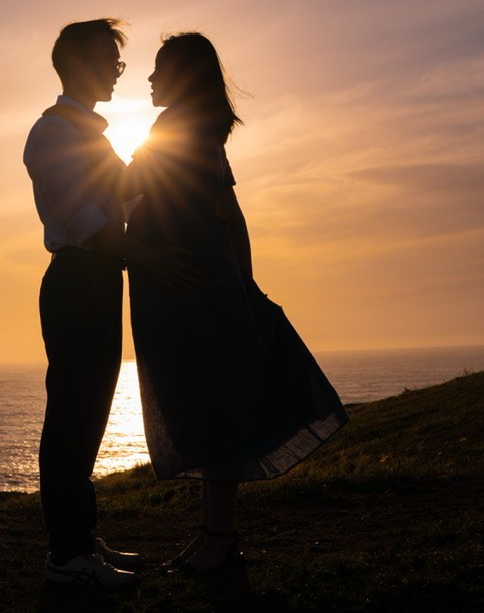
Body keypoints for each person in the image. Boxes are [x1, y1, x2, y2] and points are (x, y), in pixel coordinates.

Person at [126, 32, 348, 575]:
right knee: (207, 407)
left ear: (182, 76)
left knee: (211, 410)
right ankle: (213, 537)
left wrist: (241, 288)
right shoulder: (192, 128)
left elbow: (218, 210)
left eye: (158, 69)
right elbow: (229, 211)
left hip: (192, 285)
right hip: (195, 281)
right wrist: (242, 284)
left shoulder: (181, 127)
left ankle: (219, 541)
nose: (149, 79)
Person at [23, 18, 196, 588]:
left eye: (117, 64)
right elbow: (94, 224)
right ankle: (68, 558)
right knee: (72, 415)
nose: (116, 73)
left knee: (89, 413)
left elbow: (129, 189)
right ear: (74, 63)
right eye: (107, 61)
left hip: (97, 281)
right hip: (78, 280)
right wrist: (151, 257)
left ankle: (79, 542)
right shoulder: (52, 134)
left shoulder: (89, 132)